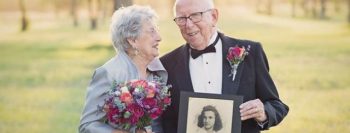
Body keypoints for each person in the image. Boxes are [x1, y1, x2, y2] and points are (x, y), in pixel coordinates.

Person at [160, 0, 289, 133]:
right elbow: (166, 122)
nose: (188, 24)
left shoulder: (251, 53)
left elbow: (277, 106)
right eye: (181, 18)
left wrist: (264, 113)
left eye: (195, 15)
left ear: (214, 16)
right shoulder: (166, 64)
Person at [79, 5, 166, 133]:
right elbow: (87, 125)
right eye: (151, 31)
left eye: (157, 30)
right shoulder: (109, 73)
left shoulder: (159, 72)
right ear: (132, 40)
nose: (159, 37)